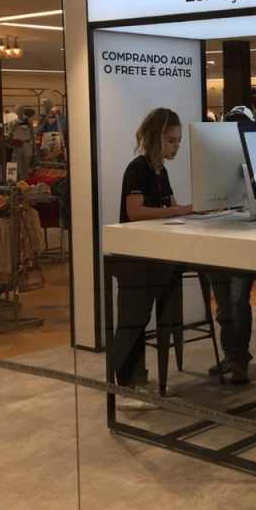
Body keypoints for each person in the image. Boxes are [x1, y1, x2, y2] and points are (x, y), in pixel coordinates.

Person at [113, 108, 193, 410]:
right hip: (134, 258)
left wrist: (193, 210)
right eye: (171, 140)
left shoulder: (161, 171)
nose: (177, 146)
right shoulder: (138, 169)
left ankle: (140, 381)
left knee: (143, 320)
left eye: (179, 140)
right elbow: (134, 212)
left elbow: (172, 206)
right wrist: (179, 211)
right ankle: (123, 388)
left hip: (155, 256)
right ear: (155, 138)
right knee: (132, 323)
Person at [207, 106, 256, 384]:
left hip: (245, 237)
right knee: (224, 303)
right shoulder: (215, 158)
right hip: (218, 234)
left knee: (237, 301)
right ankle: (231, 354)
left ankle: (239, 358)